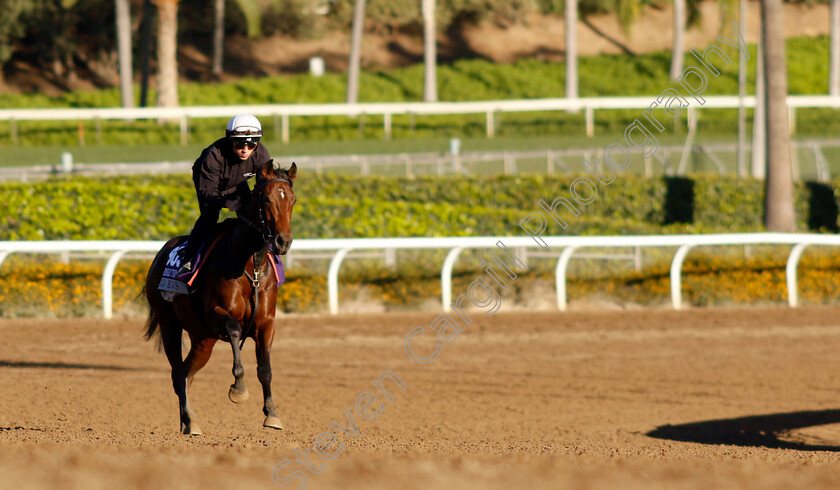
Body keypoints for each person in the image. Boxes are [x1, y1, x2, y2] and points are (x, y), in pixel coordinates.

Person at [177, 113, 273, 275]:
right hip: (209, 182)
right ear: (230, 140)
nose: (245, 150)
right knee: (210, 216)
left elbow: (265, 186)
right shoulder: (213, 155)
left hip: (237, 182)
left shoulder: (262, 154)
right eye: (239, 144)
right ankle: (188, 259)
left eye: (251, 146)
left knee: (252, 216)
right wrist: (226, 203)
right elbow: (208, 191)